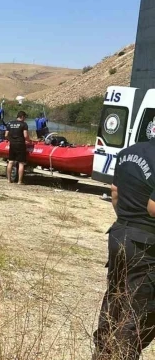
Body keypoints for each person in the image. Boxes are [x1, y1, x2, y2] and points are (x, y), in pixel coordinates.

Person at [93, 138, 155, 360]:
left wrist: (126, 221)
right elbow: (153, 207)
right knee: (140, 309)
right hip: (147, 243)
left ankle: (102, 353)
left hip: (120, 234)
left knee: (115, 298)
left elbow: (115, 192)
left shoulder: (128, 152)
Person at [5, 111, 30, 184]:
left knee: (10, 162)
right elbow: (25, 136)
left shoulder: (10, 123)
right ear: (22, 117)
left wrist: (11, 140)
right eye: (25, 117)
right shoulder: (24, 124)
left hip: (12, 144)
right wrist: (29, 140)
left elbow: (6, 135)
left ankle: (9, 180)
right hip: (20, 144)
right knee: (21, 163)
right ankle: (19, 181)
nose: (25, 119)